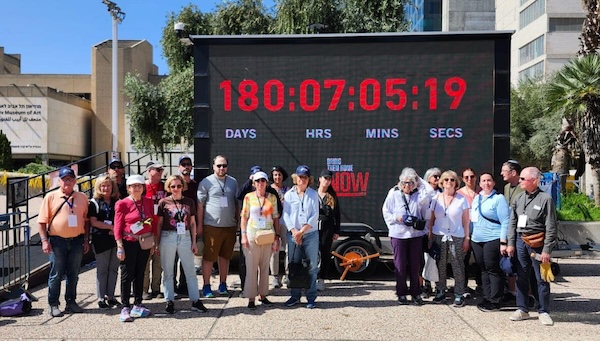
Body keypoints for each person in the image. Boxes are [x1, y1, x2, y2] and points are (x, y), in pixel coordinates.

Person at [506, 167, 557, 326]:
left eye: (523, 179)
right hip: (521, 241)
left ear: (534, 180)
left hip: (538, 243)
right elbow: (512, 222)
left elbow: (551, 226)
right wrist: (510, 243)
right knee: (521, 276)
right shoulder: (519, 198)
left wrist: (547, 249)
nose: (519, 181)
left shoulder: (545, 199)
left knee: (542, 278)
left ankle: (543, 311)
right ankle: (523, 309)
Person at [38, 167, 90, 317]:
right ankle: (53, 304)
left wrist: (86, 239)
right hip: (57, 241)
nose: (68, 181)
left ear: (75, 180)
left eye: (70, 179)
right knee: (56, 274)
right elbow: (41, 222)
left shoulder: (82, 197)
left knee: (74, 273)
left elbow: (86, 221)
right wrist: (44, 241)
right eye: (64, 179)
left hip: (76, 241)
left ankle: (71, 302)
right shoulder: (51, 197)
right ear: (59, 181)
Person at [156, 175, 207, 314]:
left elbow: (192, 223)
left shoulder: (189, 202)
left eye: (179, 186)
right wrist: (157, 243)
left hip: (185, 236)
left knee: (190, 270)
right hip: (168, 236)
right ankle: (169, 300)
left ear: (183, 186)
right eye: (173, 186)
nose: (176, 189)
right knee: (168, 271)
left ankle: (195, 300)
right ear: (169, 187)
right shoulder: (163, 202)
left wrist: (194, 241)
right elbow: (159, 224)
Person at [382, 167, 429, 305]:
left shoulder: (419, 194)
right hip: (399, 234)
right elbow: (386, 211)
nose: (406, 185)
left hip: (415, 235)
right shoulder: (393, 193)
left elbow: (430, 194)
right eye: (404, 182)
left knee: (415, 265)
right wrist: (398, 218)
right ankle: (401, 293)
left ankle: (416, 293)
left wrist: (418, 178)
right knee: (400, 265)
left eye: (410, 182)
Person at [114, 174, 157, 322]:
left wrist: (153, 242)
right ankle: (125, 306)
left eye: (139, 185)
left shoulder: (148, 201)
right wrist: (119, 246)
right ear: (128, 188)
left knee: (141, 273)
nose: (137, 188)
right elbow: (118, 226)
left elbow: (153, 221)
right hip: (129, 242)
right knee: (127, 274)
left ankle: (138, 304)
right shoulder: (122, 204)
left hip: (145, 241)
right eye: (133, 186)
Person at [236, 165, 282, 294]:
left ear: (267, 182)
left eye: (263, 181)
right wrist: (243, 235)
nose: (260, 183)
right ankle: (250, 296)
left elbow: (276, 218)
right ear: (253, 183)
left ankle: (263, 294)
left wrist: (277, 237)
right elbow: (244, 217)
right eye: (257, 181)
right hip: (252, 234)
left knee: (264, 267)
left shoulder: (272, 198)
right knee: (251, 267)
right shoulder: (248, 197)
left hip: (267, 235)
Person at [197, 155, 239, 298]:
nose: (222, 168)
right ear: (213, 166)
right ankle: (207, 285)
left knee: (225, 257)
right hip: (212, 226)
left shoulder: (233, 182)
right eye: (219, 165)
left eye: (224, 165)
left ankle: (223, 284)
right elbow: (200, 206)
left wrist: (237, 223)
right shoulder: (206, 182)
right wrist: (200, 226)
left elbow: (236, 203)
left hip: (229, 226)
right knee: (209, 257)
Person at [428, 170, 470, 307]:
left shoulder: (461, 199)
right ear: (442, 182)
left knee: (457, 264)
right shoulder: (436, 198)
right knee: (440, 264)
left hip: (456, 235)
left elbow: (466, 221)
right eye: (446, 180)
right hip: (439, 234)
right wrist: (429, 234)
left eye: (452, 180)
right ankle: (440, 291)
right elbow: (432, 218)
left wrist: (467, 238)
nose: (449, 183)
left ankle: (459, 294)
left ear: (456, 183)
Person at [470, 172, 510, 312]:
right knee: (483, 269)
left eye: (489, 180)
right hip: (477, 239)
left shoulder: (499, 199)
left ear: (493, 183)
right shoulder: (477, 198)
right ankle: (487, 297)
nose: (486, 183)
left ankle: (495, 299)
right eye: (483, 181)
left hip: (493, 238)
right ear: (479, 184)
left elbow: (505, 221)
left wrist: (503, 242)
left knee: (493, 268)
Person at [282, 165, 320, 309]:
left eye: (304, 177)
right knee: (294, 266)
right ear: (295, 178)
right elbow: (286, 214)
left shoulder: (313, 194)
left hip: (310, 235)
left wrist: (301, 232)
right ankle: (295, 296)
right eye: (300, 177)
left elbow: (314, 215)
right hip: (293, 235)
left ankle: (311, 297)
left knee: (312, 266)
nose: (302, 180)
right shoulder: (289, 194)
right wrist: (294, 231)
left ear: (308, 179)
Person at [88, 174, 121, 309]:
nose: (106, 188)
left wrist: (116, 230)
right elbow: (93, 222)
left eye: (108, 185)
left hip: (115, 240)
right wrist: (111, 227)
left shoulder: (117, 202)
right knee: (102, 270)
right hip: (101, 240)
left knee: (113, 269)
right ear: (98, 187)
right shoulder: (94, 202)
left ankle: (111, 297)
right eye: (103, 185)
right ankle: (101, 298)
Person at [175, 155, 199, 296]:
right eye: (183, 164)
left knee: (186, 259)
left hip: (189, 228)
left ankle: (183, 286)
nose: (186, 166)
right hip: (173, 228)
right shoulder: (174, 184)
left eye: (188, 164)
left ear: (191, 167)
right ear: (179, 167)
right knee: (172, 260)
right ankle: (172, 286)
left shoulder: (196, 186)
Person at [457, 168, 482, 297]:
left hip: (480, 232)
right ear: (462, 179)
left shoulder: (482, 192)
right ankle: (463, 287)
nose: (469, 179)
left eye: (471, 176)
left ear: (475, 177)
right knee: (463, 260)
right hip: (464, 232)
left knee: (480, 260)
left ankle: (481, 285)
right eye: (466, 177)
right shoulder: (459, 194)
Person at [143, 161, 166, 300]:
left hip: (161, 229)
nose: (160, 172)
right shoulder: (143, 187)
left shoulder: (164, 186)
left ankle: (156, 289)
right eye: (157, 169)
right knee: (145, 263)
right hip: (146, 230)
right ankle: (144, 290)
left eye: (161, 170)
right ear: (149, 171)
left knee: (158, 263)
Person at [316, 169, 340, 291]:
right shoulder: (313, 193)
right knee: (313, 253)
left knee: (325, 253)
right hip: (314, 226)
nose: (327, 181)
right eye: (325, 178)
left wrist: (336, 231)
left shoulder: (332, 195)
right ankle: (312, 278)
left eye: (329, 179)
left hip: (327, 227)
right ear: (320, 179)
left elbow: (337, 214)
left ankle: (321, 279)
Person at [269, 165, 290, 288]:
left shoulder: (288, 190)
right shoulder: (268, 189)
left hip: (286, 223)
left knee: (288, 250)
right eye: (275, 174)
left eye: (279, 174)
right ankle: (275, 277)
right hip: (272, 223)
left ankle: (287, 275)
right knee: (274, 251)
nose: (277, 177)